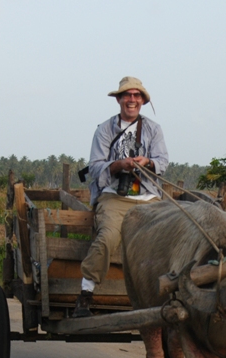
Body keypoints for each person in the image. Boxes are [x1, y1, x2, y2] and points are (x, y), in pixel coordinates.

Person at [73, 76, 169, 318]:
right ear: (119, 99)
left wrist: (147, 162)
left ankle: (165, 295)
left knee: (166, 242)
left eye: (137, 96)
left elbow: (163, 162)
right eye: (127, 95)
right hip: (114, 196)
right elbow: (94, 167)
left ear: (143, 101)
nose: (132, 100)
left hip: (148, 198)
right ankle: (85, 294)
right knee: (107, 237)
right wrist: (119, 165)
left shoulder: (153, 129)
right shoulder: (104, 130)